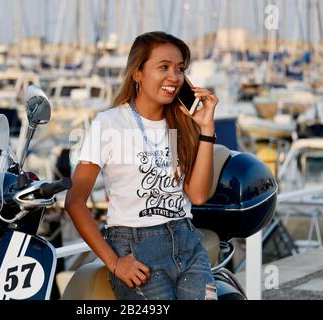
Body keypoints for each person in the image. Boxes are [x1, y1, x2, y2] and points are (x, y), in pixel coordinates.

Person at [65, 31, 219, 300]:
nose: (174, 77)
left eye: (180, 69)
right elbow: (75, 201)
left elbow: (197, 195)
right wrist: (114, 262)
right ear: (137, 72)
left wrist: (205, 129)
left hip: (187, 242)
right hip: (136, 250)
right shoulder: (109, 123)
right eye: (163, 67)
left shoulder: (180, 125)